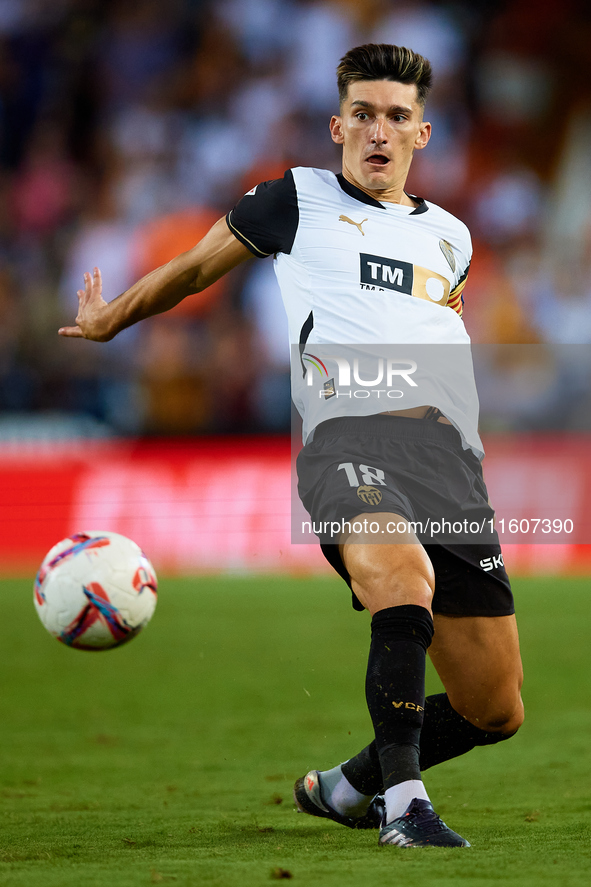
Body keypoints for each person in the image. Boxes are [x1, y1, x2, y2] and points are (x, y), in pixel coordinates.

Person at [59, 44, 524, 849]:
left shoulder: (452, 238)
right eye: (366, 115)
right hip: (346, 438)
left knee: (495, 706)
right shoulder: (294, 199)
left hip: (449, 465)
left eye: (398, 117)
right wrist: (114, 318)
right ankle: (403, 805)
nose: (380, 131)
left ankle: (347, 785)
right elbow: (195, 268)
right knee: (399, 577)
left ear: (422, 134)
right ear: (338, 123)